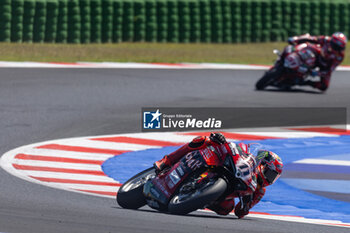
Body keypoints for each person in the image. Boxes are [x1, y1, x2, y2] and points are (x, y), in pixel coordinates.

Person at [154, 133, 283, 219]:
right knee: (204, 140)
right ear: (262, 164)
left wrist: (246, 205)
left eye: (273, 177)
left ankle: (198, 198)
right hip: (222, 165)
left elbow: (240, 212)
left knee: (227, 208)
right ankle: (167, 161)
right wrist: (221, 140)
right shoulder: (248, 157)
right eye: (270, 173)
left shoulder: (259, 191)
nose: (269, 178)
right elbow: (235, 147)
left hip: (225, 190)